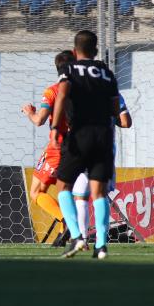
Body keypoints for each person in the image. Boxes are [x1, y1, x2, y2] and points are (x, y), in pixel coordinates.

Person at [50, 30, 120, 259]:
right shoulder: (107, 73)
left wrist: (55, 128)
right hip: (104, 135)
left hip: (80, 134)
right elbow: (115, 108)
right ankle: (101, 245)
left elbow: (62, 95)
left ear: (74, 50)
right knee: (99, 193)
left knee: (63, 185)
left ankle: (77, 236)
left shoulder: (69, 70)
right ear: (96, 50)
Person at [21, 51, 75, 245]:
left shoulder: (53, 91)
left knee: (36, 192)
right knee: (64, 191)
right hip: (80, 147)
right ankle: (63, 235)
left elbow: (39, 121)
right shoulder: (85, 91)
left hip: (58, 147)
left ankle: (66, 220)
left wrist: (30, 112)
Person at [69, 94, 132, 245]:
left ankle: (82, 240)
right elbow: (126, 122)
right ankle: (101, 242)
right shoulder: (114, 94)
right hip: (105, 152)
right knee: (100, 196)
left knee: (80, 198)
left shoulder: (77, 92)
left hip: (83, 149)